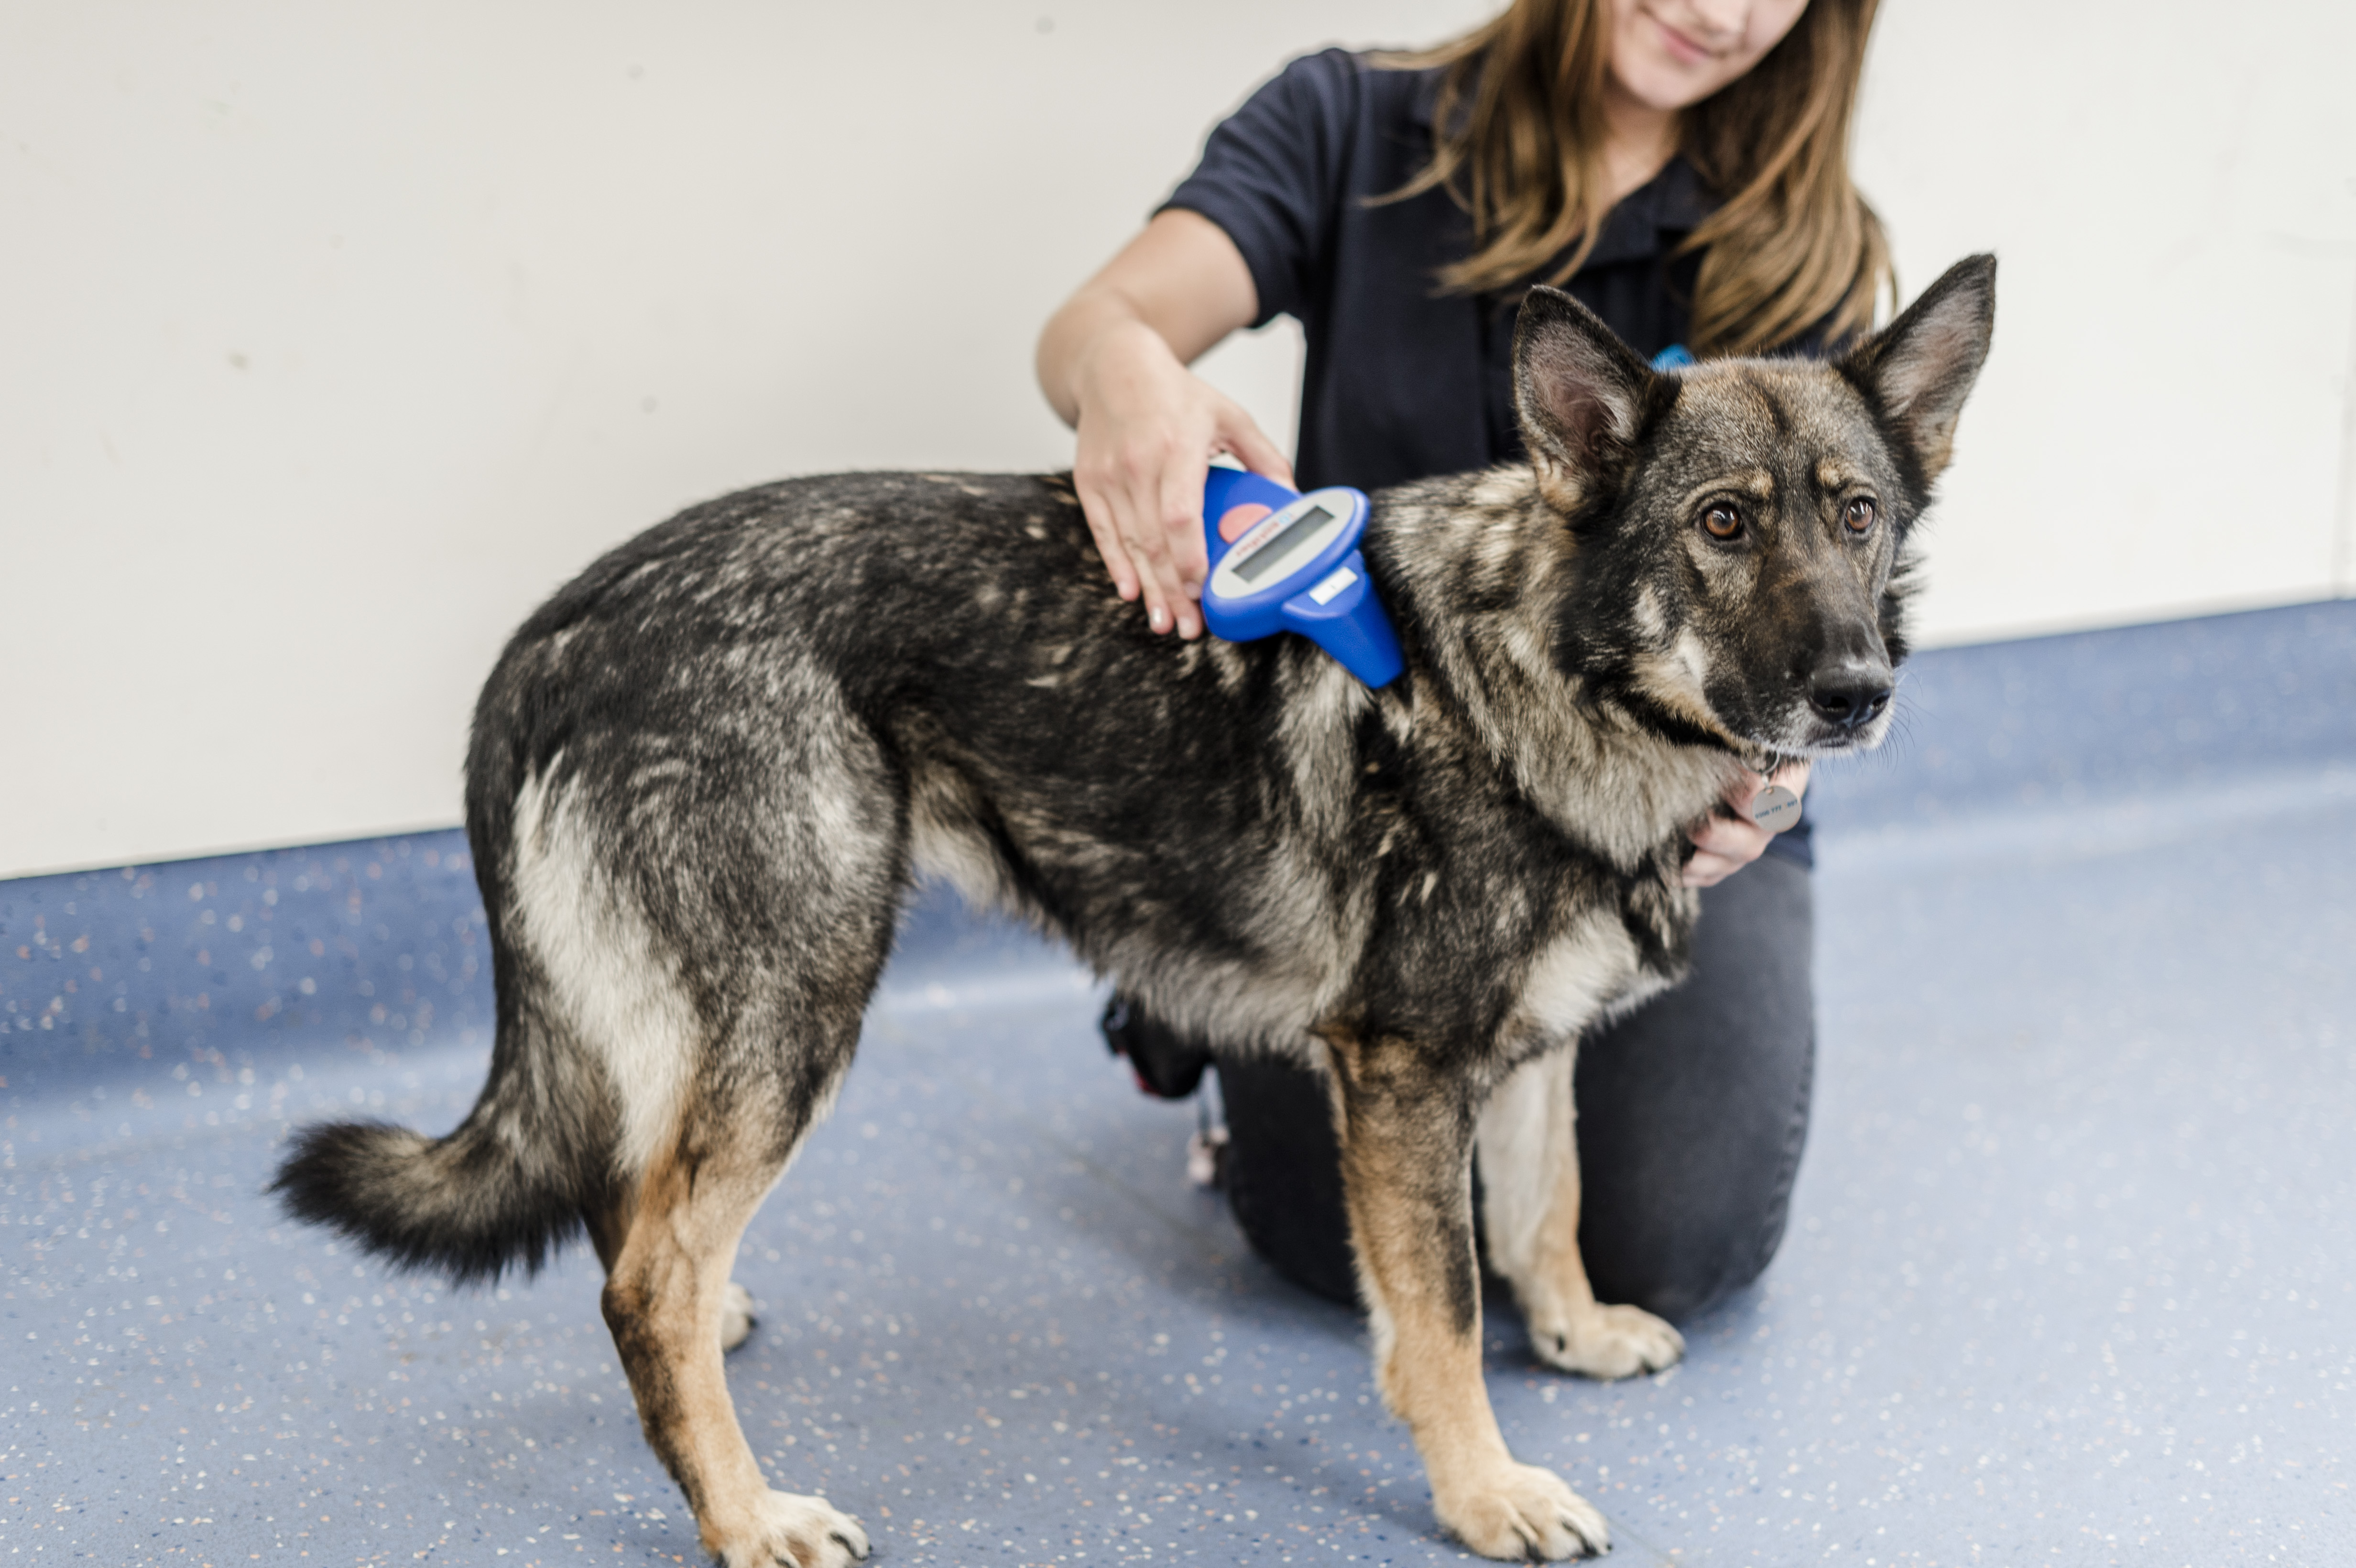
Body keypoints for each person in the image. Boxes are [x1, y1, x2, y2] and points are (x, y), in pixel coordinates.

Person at [1034, 0, 1891, 1322]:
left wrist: (1764, 796)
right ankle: (1187, 1000)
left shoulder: (1808, 249)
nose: (1719, 11)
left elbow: (1829, 605)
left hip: (1659, 801)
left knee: (1672, 1252)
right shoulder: (1348, 123)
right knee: (1337, 1238)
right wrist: (1126, 370)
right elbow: (1097, 320)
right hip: (1362, 788)